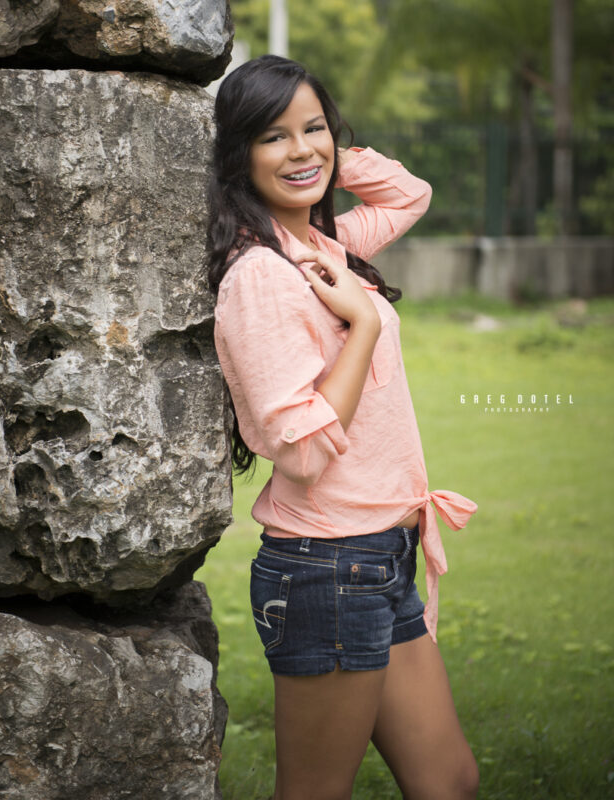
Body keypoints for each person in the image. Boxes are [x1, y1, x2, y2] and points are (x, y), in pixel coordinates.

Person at [207, 54, 479, 800]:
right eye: (271, 136)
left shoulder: (326, 245)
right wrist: (359, 324)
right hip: (328, 567)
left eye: (313, 128)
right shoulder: (260, 275)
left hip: (378, 553)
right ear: (236, 155)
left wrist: (322, 149)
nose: (299, 150)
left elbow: (409, 193)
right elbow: (298, 452)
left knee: (449, 781)